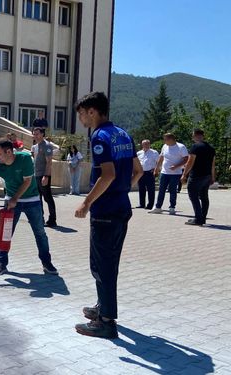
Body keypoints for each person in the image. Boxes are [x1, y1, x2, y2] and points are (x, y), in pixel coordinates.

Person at [73, 91, 143, 339]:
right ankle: (103, 306)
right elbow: (138, 170)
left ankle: (106, 321)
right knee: (106, 263)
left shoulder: (100, 136)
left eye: (82, 113)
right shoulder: (122, 133)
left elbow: (108, 174)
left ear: (92, 111)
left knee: (102, 266)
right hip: (122, 207)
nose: (81, 118)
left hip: (105, 211)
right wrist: (121, 190)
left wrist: (87, 203)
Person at [0, 138, 58, 277]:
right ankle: (1, 264)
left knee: (40, 233)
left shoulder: (25, 158)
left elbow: (27, 181)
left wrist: (15, 198)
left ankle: (47, 263)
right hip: (10, 202)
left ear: (8, 151)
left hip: (32, 200)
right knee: (5, 233)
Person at [181, 129, 216, 226]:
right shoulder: (211, 148)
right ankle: (202, 218)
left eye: (193, 135)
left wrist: (184, 174)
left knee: (193, 196)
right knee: (204, 197)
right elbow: (213, 164)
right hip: (207, 176)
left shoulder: (195, 146)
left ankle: (198, 218)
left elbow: (190, 162)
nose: (192, 137)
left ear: (196, 135)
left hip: (196, 176)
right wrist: (213, 177)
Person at [150, 133, 188, 215]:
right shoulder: (165, 146)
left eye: (165, 139)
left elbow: (186, 159)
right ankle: (158, 207)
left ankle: (172, 207)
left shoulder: (181, 147)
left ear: (171, 139)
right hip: (164, 172)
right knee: (161, 190)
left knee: (173, 190)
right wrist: (157, 169)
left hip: (175, 173)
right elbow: (161, 157)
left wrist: (176, 166)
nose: (164, 141)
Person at [32, 127, 57, 227]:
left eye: (37, 134)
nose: (35, 136)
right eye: (34, 134)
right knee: (38, 198)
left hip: (43, 175)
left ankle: (52, 220)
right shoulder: (36, 146)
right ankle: (40, 218)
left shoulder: (47, 145)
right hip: (36, 175)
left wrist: (46, 176)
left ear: (42, 134)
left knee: (48, 198)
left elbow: (49, 162)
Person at [136, 140, 160, 209]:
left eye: (147, 144)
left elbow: (158, 162)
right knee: (141, 189)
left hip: (150, 172)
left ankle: (150, 205)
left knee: (151, 190)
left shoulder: (154, 152)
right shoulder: (139, 153)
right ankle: (142, 204)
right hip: (141, 173)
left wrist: (156, 170)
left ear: (149, 144)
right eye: (144, 144)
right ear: (142, 145)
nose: (146, 145)